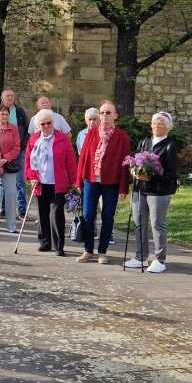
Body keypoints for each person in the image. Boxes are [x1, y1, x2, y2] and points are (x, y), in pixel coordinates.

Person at [75, 101, 130, 264]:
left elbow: (125, 164)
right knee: (88, 214)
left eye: (108, 113)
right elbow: (83, 157)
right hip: (91, 180)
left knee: (107, 216)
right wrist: (79, 180)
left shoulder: (122, 137)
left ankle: (102, 251)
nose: (104, 116)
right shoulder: (91, 133)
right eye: (102, 113)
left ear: (115, 116)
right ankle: (88, 249)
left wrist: (123, 188)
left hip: (111, 182)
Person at [125, 112, 178, 273]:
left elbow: (170, 173)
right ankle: (141, 257)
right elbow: (135, 161)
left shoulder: (170, 145)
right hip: (140, 189)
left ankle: (160, 260)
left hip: (159, 191)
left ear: (168, 127)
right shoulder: (144, 142)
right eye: (154, 123)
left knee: (157, 224)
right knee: (139, 223)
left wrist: (150, 175)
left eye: (161, 123)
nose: (156, 126)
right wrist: (134, 171)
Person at [25, 109, 77, 254]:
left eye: (49, 123)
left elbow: (71, 161)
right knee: (42, 213)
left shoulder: (62, 139)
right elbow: (28, 161)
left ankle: (59, 245)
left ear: (53, 123)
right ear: (38, 126)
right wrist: (31, 177)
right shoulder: (34, 139)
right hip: (40, 182)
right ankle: (45, 242)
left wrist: (75, 181)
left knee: (56, 212)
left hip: (58, 182)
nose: (47, 126)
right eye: (43, 124)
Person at [0, 89, 30, 218]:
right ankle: (4, 209)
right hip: (2, 151)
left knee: (20, 181)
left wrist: (22, 145)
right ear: (2, 98)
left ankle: (22, 211)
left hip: (19, 151)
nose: (10, 98)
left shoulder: (20, 112)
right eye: (7, 96)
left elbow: (26, 130)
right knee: (3, 181)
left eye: (12, 96)